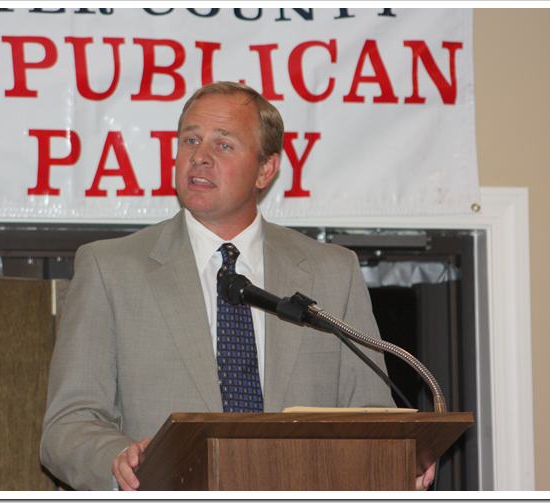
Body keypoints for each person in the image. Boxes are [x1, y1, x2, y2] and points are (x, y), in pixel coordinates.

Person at [40, 82, 436, 491]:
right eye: (190, 140)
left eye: (223, 144)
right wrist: (118, 458)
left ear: (266, 169)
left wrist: (399, 457)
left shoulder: (333, 272)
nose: (199, 156)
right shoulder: (111, 268)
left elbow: (371, 413)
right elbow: (68, 424)